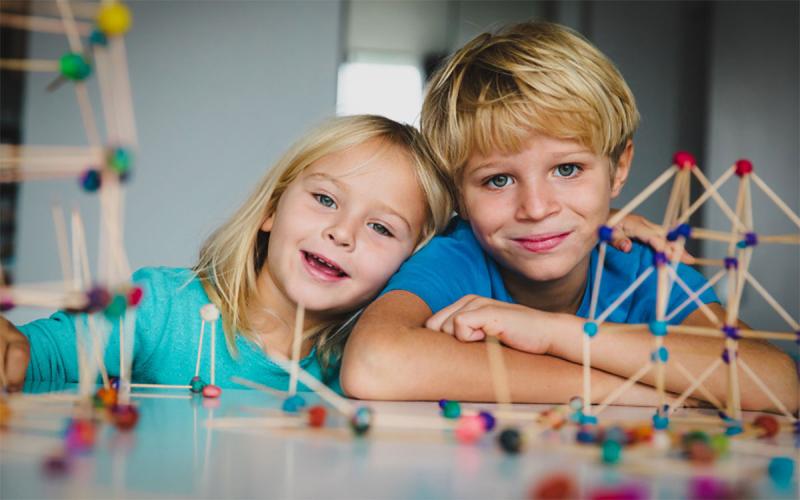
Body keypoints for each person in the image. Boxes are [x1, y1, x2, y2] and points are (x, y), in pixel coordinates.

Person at [341, 22, 798, 412]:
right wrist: (614, 389)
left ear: (618, 169)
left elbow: (778, 382)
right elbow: (373, 364)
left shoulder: (640, 265)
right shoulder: (458, 256)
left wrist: (555, 333)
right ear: (457, 194)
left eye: (567, 169)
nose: (537, 208)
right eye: (498, 180)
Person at [0, 114, 454, 394]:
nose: (342, 233)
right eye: (325, 199)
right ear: (271, 210)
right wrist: (13, 346)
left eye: (380, 227)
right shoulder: (157, 307)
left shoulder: (364, 370)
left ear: (409, 261)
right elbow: (41, 358)